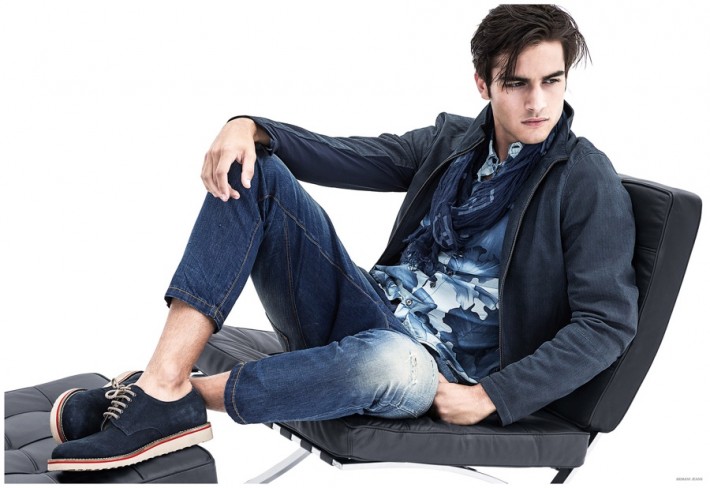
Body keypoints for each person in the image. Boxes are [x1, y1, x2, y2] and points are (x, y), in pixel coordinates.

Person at [47, 4, 638, 471]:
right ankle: (161, 385)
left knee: (388, 357)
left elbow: (606, 323)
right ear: (484, 84)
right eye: (517, 83)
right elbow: (346, 155)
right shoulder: (453, 143)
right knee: (256, 171)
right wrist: (247, 126)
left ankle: (161, 399)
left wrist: (492, 395)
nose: (538, 103)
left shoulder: (585, 179)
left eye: (552, 81)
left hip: (430, 370)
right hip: (366, 306)